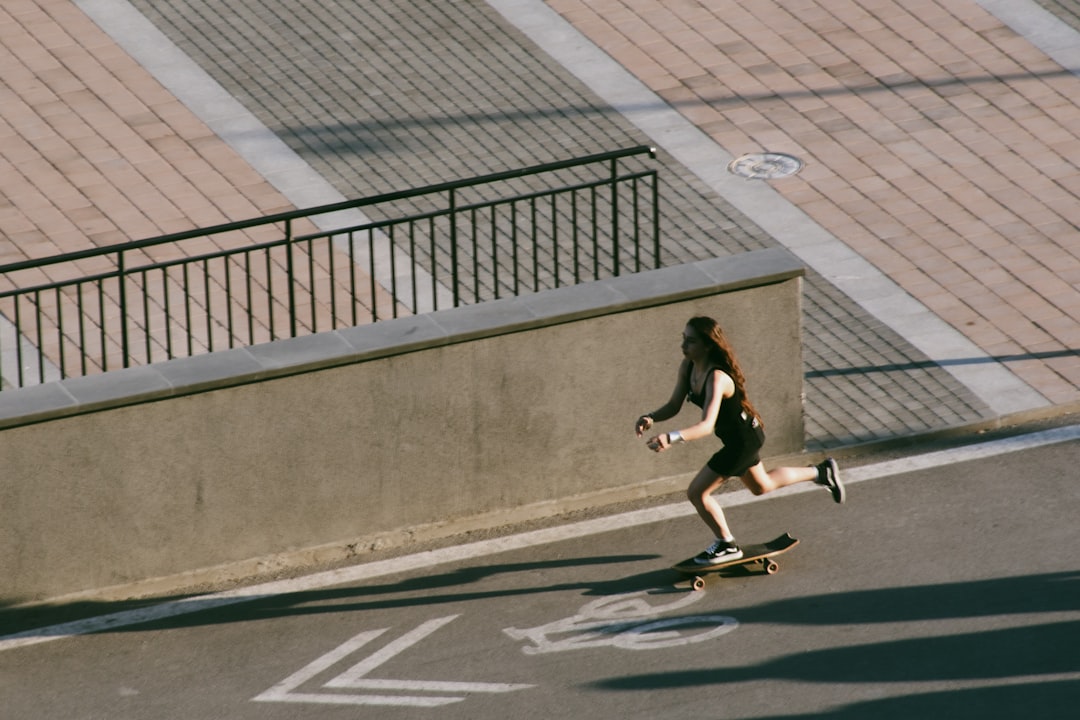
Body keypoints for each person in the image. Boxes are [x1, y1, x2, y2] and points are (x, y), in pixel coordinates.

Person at [635, 316, 844, 565]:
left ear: (708, 345)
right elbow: (673, 405)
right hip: (741, 439)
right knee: (761, 486)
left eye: (690, 341)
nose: (684, 345)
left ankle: (726, 544)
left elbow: (706, 426)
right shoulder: (688, 366)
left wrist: (671, 437)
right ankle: (820, 473)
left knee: (697, 493)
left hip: (743, 442)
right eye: (683, 339)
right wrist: (651, 417)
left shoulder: (717, 378)